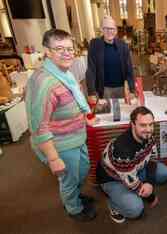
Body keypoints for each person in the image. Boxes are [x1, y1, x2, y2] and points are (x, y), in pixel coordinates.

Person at [25, 29, 96, 221]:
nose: (67, 53)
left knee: (81, 171)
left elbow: (72, 100)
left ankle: (75, 195)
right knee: (69, 179)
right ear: (47, 51)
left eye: (70, 49)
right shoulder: (45, 83)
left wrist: (84, 116)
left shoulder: (64, 73)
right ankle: (73, 208)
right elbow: (39, 126)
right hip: (60, 144)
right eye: (59, 49)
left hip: (76, 137)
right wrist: (53, 158)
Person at [96, 106, 167, 223]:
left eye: (151, 124)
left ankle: (137, 190)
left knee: (165, 173)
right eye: (143, 125)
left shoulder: (149, 136)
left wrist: (149, 183)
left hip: (134, 170)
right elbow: (131, 183)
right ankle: (113, 204)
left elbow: (152, 159)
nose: (148, 129)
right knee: (136, 209)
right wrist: (150, 197)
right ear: (133, 124)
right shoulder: (122, 150)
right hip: (113, 179)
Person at [86, 16, 135, 103]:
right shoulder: (94, 45)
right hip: (104, 89)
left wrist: (132, 89)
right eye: (106, 28)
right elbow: (91, 70)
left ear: (116, 30)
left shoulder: (123, 45)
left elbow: (129, 69)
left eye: (112, 28)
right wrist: (91, 92)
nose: (109, 31)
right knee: (107, 113)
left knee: (122, 111)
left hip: (121, 88)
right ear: (101, 29)